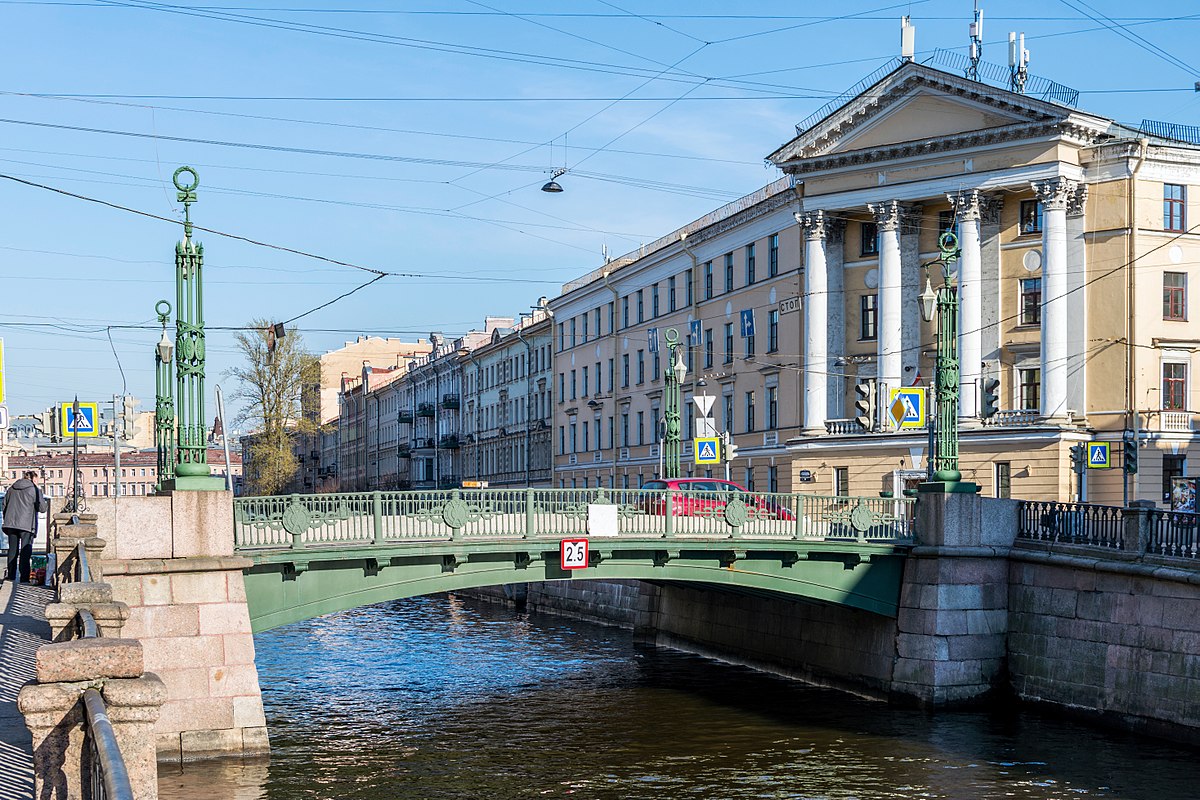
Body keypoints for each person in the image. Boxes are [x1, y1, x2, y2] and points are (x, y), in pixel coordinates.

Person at [4, 471, 46, 584]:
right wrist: (39, 491)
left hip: (11, 523)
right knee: (25, 550)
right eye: (37, 480)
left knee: (12, 550)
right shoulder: (34, 489)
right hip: (26, 524)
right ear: (33, 479)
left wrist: (7, 519)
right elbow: (42, 508)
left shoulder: (11, 488)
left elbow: (5, 505)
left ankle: (11, 575)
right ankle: (24, 577)